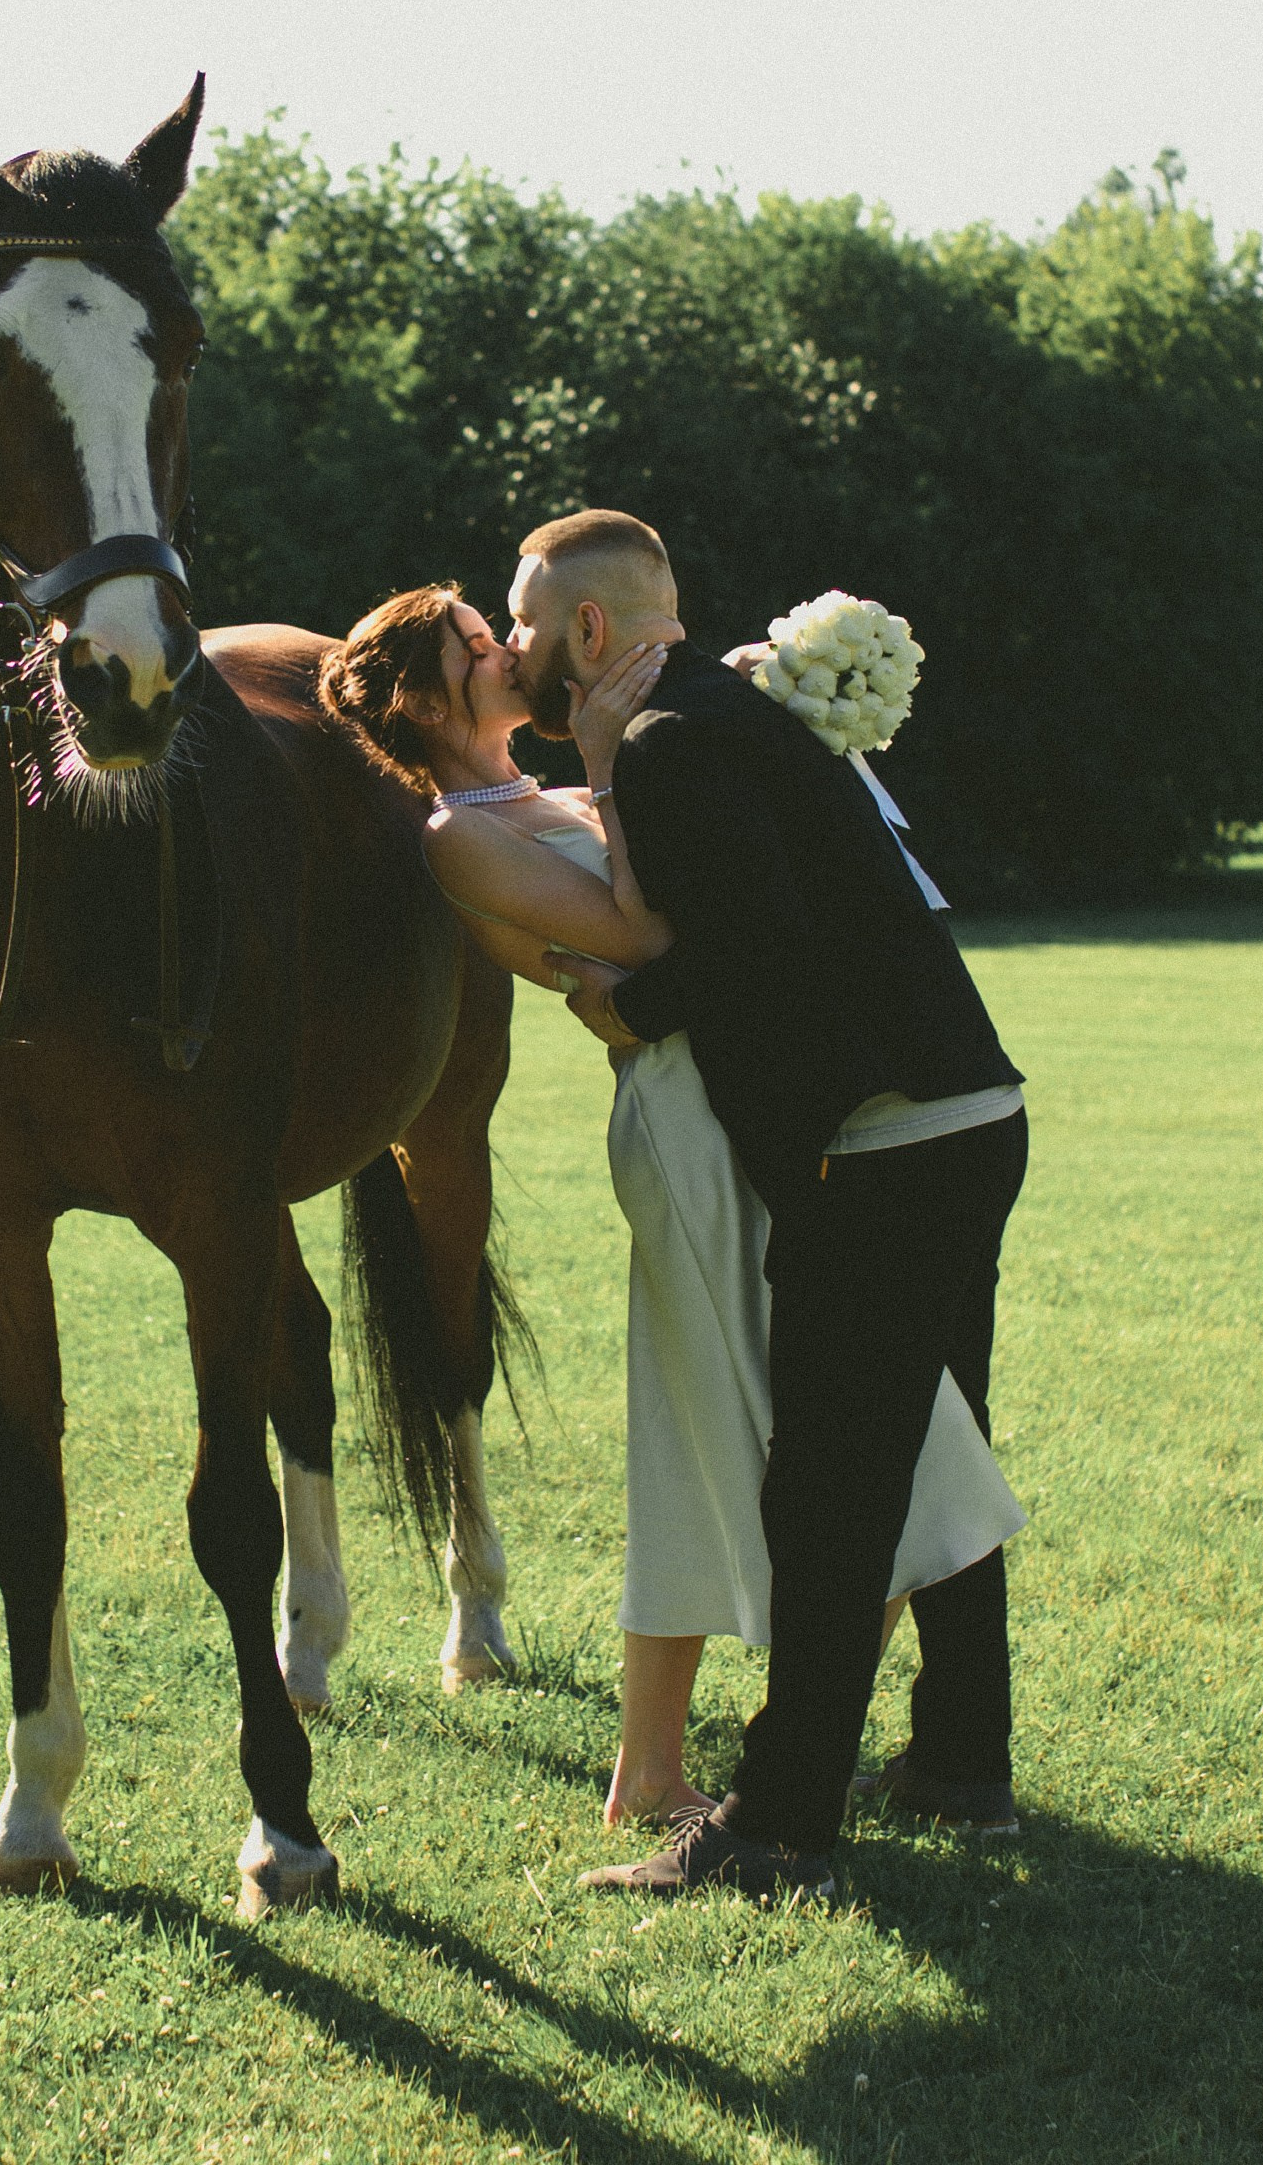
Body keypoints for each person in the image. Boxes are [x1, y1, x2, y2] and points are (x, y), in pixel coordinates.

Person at [317, 565, 1025, 1861]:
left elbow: (716, 872)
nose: (508, 654)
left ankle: (761, 1755)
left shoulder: (554, 791)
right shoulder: (462, 834)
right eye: (483, 644)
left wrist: (715, 719)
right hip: (688, 1122)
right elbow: (645, 935)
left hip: (752, 1093)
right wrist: (618, 756)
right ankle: (708, 1765)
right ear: (426, 698)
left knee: (845, 1432)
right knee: (725, 1429)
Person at [503, 510, 1029, 1908]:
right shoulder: (725, 715)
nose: (513, 648)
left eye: (524, 622)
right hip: (964, 1112)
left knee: (828, 1497)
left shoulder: (672, 745)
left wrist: (626, 1000)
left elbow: (756, 955)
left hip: (891, 1141)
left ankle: (779, 1827)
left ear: (591, 633)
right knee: (926, 1437)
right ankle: (962, 1765)